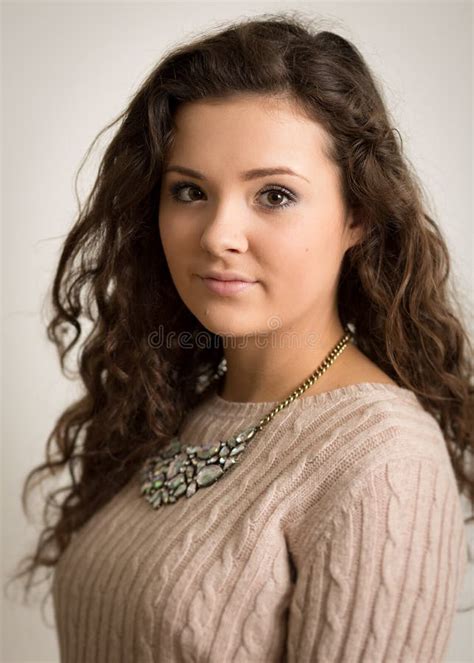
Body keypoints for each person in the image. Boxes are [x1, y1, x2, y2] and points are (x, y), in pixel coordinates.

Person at [7, 12, 473, 662]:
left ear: (358, 214)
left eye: (274, 195)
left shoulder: (383, 460)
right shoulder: (176, 410)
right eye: (190, 190)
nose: (218, 234)